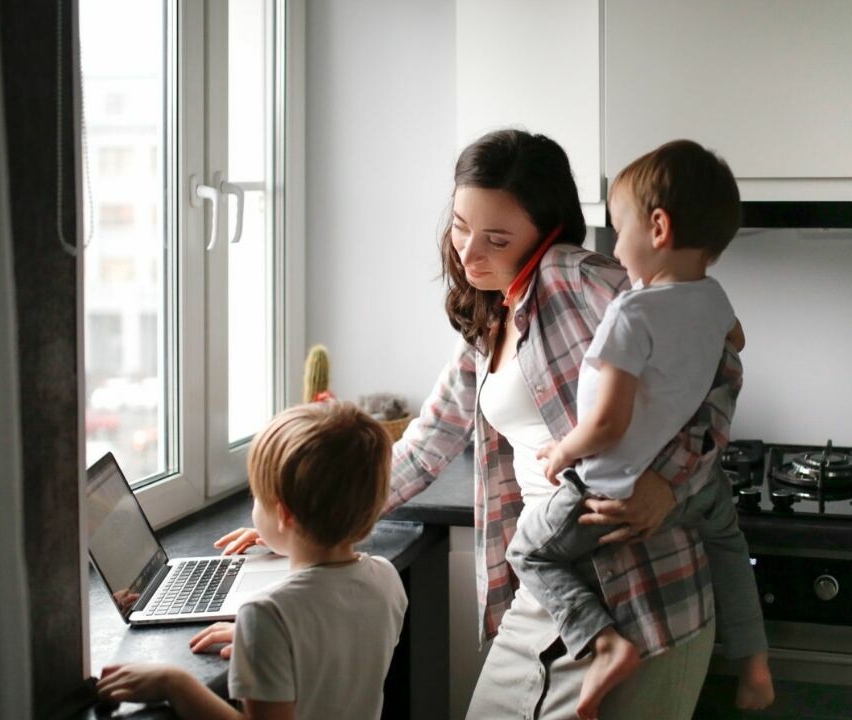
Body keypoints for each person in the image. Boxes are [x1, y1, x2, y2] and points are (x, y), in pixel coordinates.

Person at [218, 129, 747, 719]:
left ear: (547, 235)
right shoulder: (491, 322)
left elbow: (719, 360)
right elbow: (425, 446)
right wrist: (303, 515)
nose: (470, 254)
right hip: (548, 589)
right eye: (461, 227)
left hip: (644, 597)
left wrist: (670, 483)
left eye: (497, 239)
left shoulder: (580, 278)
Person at [511, 139, 773, 718]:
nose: (613, 245)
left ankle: (605, 644)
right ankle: (754, 663)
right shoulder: (715, 298)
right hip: (695, 489)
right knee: (730, 545)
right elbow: (737, 345)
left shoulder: (630, 312)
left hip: (611, 489)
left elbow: (606, 425)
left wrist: (562, 451)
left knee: (528, 551)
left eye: (617, 227)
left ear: (657, 228)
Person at [97, 402, 408, 720]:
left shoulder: (266, 614)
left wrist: (174, 683)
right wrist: (268, 646)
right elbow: (336, 644)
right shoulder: (386, 579)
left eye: (256, 495)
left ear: (285, 515)